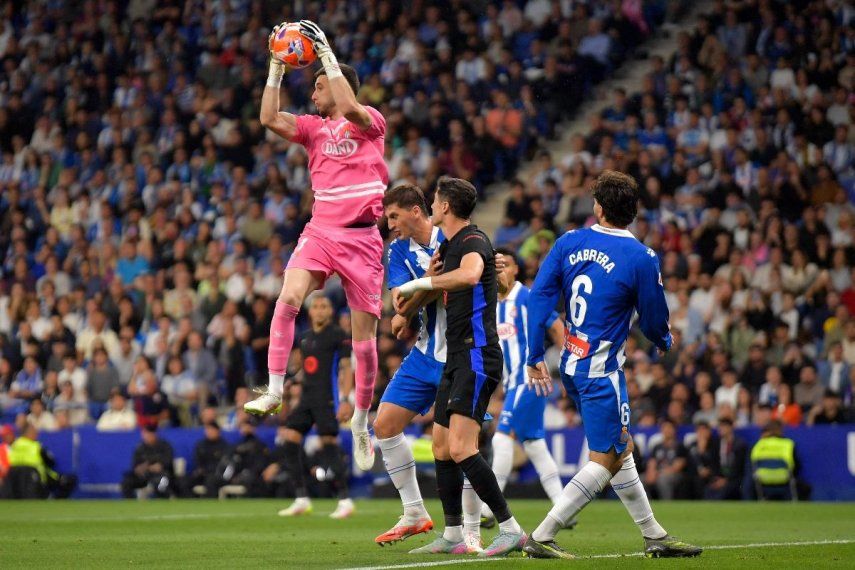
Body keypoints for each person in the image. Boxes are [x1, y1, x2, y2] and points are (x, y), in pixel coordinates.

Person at [521, 170, 701, 559]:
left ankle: (654, 534)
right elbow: (654, 320)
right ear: (633, 213)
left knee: (622, 448)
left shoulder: (569, 241)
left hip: (571, 363)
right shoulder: (641, 257)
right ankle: (543, 535)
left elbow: (539, 300)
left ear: (598, 207)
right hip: (602, 371)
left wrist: (535, 355)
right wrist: (664, 340)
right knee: (606, 457)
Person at [245, 19, 389, 471]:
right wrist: (275, 68)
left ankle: (361, 423)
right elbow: (268, 118)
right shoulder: (311, 128)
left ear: (339, 85)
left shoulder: (371, 124)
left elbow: (350, 106)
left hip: (363, 240)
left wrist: (327, 56)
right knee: (288, 297)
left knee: (363, 341)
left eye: (319, 86)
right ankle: (272, 388)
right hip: (322, 232)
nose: (313, 94)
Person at [398, 177, 526, 558]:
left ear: (446, 207)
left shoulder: (471, 240)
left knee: (460, 447)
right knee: (440, 447)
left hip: (477, 354)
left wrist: (423, 279)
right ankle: (453, 533)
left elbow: (472, 274)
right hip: (455, 356)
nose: (432, 205)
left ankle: (510, 528)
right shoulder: (451, 245)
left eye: (435, 200)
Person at [373, 184, 483, 552]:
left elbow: (468, 283)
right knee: (384, 425)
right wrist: (429, 284)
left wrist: (424, 287)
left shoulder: (453, 236)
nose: (390, 225)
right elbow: (401, 307)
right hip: (424, 355)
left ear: (416, 211)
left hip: (460, 354)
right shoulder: (399, 252)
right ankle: (414, 511)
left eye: (394, 216)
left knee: (456, 447)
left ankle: (471, 531)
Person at [480, 248, 570, 528]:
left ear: (516, 269)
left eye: (504, 265)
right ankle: (564, 507)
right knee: (534, 444)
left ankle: (487, 510)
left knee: (501, 437)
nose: (500, 271)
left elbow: (556, 326)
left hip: (530, 379)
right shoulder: (493, 305)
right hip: (513, 383)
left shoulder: (527, 297)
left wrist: (568, 369)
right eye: (495, 267)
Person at [276, 295, 356, 519]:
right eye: (316, 307)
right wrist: (293, 381)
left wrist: (346, 400)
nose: (320, 310)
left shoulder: (338, 335)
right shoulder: (304, 338)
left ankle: (344, 500)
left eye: (325, 306)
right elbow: (310, 369)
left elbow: (346, 368)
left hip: (327, 398)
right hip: (307, 398)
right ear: (310, 312)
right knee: (289, 439)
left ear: (330, 312)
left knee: (329, 446)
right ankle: (301, 498)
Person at [121, 425, 175, 499]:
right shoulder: (140, 447)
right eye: (144, 434)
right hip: (144, 475)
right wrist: (142, 468)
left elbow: (167, 462)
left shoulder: (165, 446)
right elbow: (136, 465)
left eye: (148, 434)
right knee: (127, 481)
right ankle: (130, 503)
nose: (146, 436)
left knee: (161, 484)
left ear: (154, 434)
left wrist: (159, 466)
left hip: (161, 475)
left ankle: (166, 500)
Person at [185, 422, 230, 498]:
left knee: (210, 481)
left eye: (211, 430)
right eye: (207, 430)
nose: (209, 432)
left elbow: (224, 464)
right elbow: (197, 460)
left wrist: (209, 470)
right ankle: (190, 502)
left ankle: (210, 504)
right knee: (185, 481)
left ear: (217, 431)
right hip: (203, 474)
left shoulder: (224, 446)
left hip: (217, 475)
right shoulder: (201, 445)